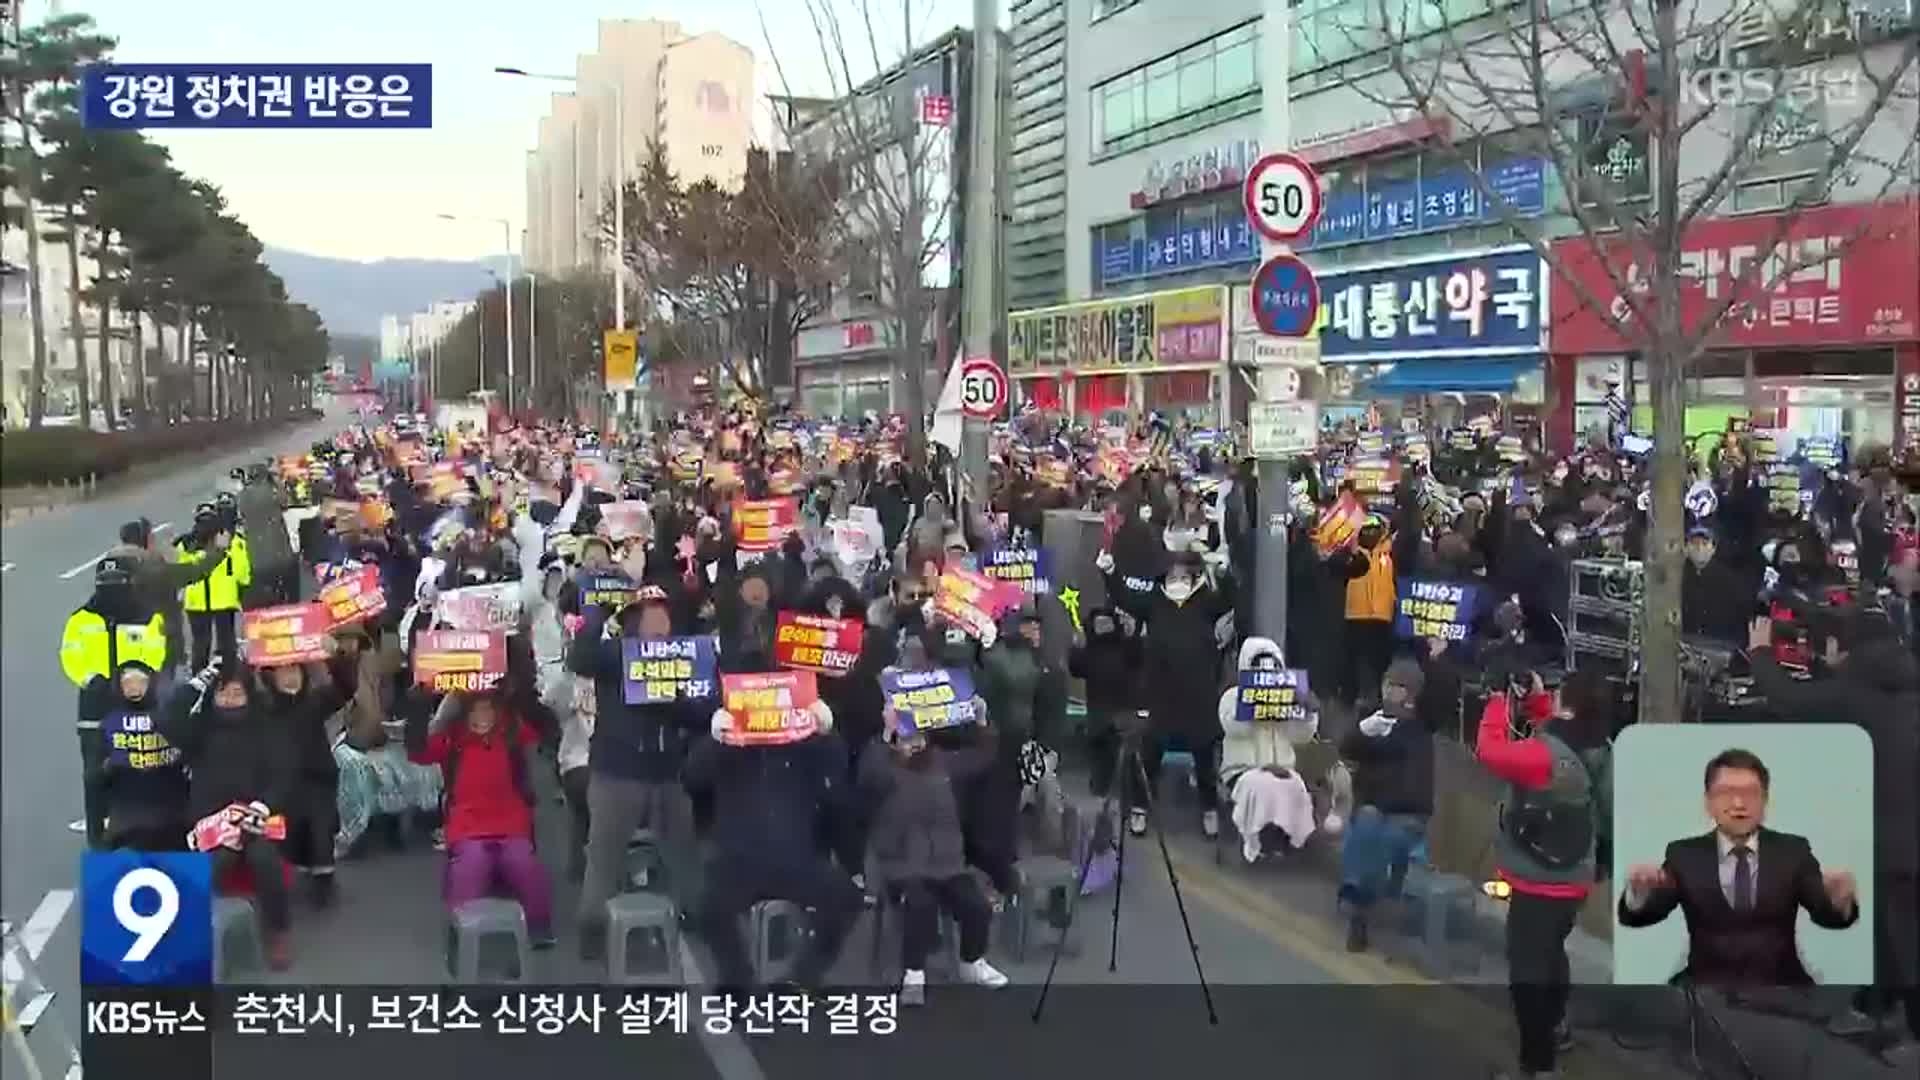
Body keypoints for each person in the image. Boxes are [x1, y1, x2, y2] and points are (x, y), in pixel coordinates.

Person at [1618, 747, 1859, 987]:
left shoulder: (1793, 850)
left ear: (1765, 801)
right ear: (1708, 802)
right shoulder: (1684, 855)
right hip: (1705, 988)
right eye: (1725, 793)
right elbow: (1645, 914)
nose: (1738, 803)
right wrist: (1638, 896)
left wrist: (1840, 902)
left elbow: (1827, 913)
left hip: (1782, 987)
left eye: (1750, 793)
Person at [1476, 668, 1614, 1080]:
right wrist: (1535, 701)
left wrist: (1500, 700)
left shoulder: (1545, 757)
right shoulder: (1600, 747)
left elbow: (1490, 749)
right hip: (1576, 876)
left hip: (1538, 879)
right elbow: (1606, 811)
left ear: (1566, 702)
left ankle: (1538, 1065)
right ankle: (1557, 1030)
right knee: (1551, 954)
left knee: (1527, 975)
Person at [682, 696, 862, 993]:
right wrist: (715, 740)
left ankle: (802, 976)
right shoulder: (727, 745)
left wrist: (826, 731)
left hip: (796, 860)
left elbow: (837, 765)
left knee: (846, 898)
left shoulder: (803, 744)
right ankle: (737, 979)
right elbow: (691, 777)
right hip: (737, 862)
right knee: (708, 909)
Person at [567, 588, 706, 954]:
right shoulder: (616, 655)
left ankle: (700, 920)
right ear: (635, 624)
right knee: (604, 861)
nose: (663, 625)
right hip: (617, 774)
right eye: (653, 617)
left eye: (666, 617)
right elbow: (579, 657)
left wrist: (672, 699)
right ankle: (593, 936)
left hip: (667, 774)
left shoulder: (684, 658)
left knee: (685, 854)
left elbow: (704, 711)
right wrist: (595, 613)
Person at [859, 703, 1010, 1004]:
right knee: (920, 905)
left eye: (919, 739)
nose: (914, 746)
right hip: (903, 865)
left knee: (977, 906)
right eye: (906, 739)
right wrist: (885, 732)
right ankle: (914, 973)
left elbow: (982, 758)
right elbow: (867, 774)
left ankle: (972, 962)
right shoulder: (883, 767)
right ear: (895, 742)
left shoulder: (942, 764)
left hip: (948, 864)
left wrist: (982, 722)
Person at [157, 660, 297, 970]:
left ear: (249, 695)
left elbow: (282, 775)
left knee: (265, 861)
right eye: (223, 693)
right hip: (213, 819)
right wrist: (199, 682)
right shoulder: (200, 730)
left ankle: (278, 932)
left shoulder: (265, 728)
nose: (230, 700)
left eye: (237, 693)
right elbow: (166, 720)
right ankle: (191, 935)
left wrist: (262, 806)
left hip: (256, 818)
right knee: (217, 862)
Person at [409, 692, 556, 949]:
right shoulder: (452, 739)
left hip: (510, 821)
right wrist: (419, 703)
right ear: (463, 715)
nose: (482, 716)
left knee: (522, 862)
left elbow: (544, 725)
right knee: (472, 864)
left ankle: (538, 925)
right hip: (468, 824)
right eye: (475, 711)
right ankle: (462, 930)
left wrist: (518, 687)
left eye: (488, 709)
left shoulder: (511, 732)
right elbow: (418, 751)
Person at [63, 555, 170, 847]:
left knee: (140, 769)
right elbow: (70, 656)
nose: (111, 591)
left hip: (136, 706)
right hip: (94, 709)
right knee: (95, 776)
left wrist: (139, 677)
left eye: (118, 585)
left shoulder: (147, 617)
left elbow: (157, 652)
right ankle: (98, 840)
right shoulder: (81, 619)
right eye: (105, 585)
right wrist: (89, 679)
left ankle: (141, 833)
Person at [1338, 654, 1438, 951]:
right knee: (1367, 821)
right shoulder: (1372, 719)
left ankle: (1359, 901)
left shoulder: (1421, 728)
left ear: (1411, 695)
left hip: (1408, 816)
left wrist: (1436, 657)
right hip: (1374, 809)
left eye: (1398, 688)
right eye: (1388, 686)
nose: (1390, 693)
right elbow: (1348, 748)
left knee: (1381, 837)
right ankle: (1359, 896)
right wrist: (1364, 731)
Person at [1135, 551, 1233, 838]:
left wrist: (1223, 575)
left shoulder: (1204, 602)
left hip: (1198, 694)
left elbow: (1229, 599)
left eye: (1184, 576)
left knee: (1204, 756)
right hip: (1162, 694)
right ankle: (1140, 808)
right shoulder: (1154, 603)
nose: (1178, 581)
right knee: (1150, 752)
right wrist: (1110, 572)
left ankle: (1209, 809)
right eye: (1173, 576)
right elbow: (1125, 598)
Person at [1217, 637, 1318, 866]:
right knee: (1260, 786)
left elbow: (1301, 736)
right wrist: (1257, 703)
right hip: (1243, 770)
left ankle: (1286, 843)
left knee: (1295, 787)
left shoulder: (1290, 695)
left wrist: (1307, 711)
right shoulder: (1232, 697)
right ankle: (1254, 841)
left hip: (1283, 768)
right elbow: (1233, 726)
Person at [259, 658, 348, 907]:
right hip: (278, 788)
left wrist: (337, 656)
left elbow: (344, 687)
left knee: (320, 828)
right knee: (282, 835)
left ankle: (323, 880)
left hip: (316, 782)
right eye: (283, 672)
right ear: (271, 678)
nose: (290, 677)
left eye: (295, 671)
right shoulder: (262, 710)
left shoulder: (314, 702)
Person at [105, 517, 229, 674]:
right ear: (145, 540)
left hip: (121, 649)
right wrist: (219, 549)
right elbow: (196, 570)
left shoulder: (110, 570)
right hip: (159, 648)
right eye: (151, 537)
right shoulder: (153, 569)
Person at [94, 660, 190, 852]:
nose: (134, 687)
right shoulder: (109, 721)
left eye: (140, 682)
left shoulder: (169, 715)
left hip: (171, 802)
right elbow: (99, 768)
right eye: (127, 683)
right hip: (128, 805)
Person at [177, 502, 252, 670]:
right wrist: (243, 586)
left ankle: (198, 679)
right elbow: (242, 570)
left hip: (196, 601)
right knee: (226, 642)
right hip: (224, 599)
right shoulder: (231, 540)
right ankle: (228, 678)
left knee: (200, 644)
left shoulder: (185, 543)